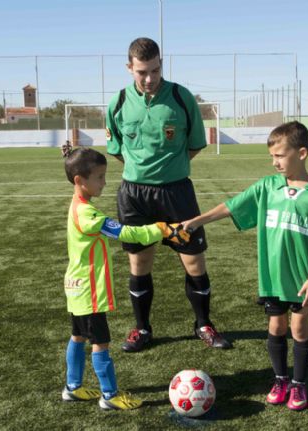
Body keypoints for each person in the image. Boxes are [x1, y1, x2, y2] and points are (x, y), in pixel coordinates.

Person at [182, 122, 308, 411]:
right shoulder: (268, 187)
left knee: (300, 327)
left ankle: (298, 384)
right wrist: (197, 221)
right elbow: (231, 206)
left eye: (280, 155)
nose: (275, 162)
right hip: (273, 278)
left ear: (302, 153)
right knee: (276, 325)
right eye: (272, 156)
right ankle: (280, 379)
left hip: (304, 279)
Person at [105, 37, 231, 352]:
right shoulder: (118, 102)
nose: (149, 79)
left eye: (155, 70)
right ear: (129, 68)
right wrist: (142, 171)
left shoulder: (180, 96)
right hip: (135, 195)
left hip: (177, 193)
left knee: (194, 262)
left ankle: (203, 324)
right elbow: (117, 149)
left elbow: (196, 143)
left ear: (162, 64)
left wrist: (170, 169)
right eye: (142, 72)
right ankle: (142, 329)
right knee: (140, 263)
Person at [60, 146, 189, 409]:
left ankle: (72, 387)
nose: (104, 183)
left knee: (78, 336)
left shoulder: (77, 206)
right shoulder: (88, 215)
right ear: (79, 180)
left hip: (74, 285)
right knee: (100, 341)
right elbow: (127, 233)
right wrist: (162, 228)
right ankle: (110, 396)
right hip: (89, 289)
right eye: (99, 177)